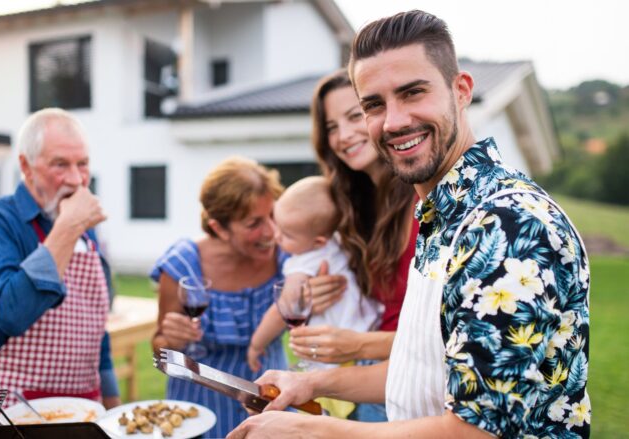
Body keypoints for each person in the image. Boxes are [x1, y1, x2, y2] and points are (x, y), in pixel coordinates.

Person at [228, 9, 590, 439]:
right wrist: (312, 382)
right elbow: (419, 370)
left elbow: (478, 432)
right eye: (374, 105)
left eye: (413, 93)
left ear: (461, 91)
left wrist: (314, 431)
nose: (394, 121)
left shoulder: (505, 225)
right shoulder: (441, 214)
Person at [150, 157, 345, 438]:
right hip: (201, 409)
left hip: (268, 400)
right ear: (218, 227)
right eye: (254, 223)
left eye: (272, 215)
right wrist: (169, 340)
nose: (270, 232)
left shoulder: (289, 252)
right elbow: (160, 349)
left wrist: (316, 299)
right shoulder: (182, 266)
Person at [0, 108, 121, 409]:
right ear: (26, 165)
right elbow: (12, 312)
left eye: (83, 164)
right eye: (60, 164)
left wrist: (114, 407)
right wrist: (68, 227)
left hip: (83, 409)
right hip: (8, 408)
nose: (76, 180)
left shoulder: (88, 234)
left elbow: (96, 330)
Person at [287, 69, 419, 422]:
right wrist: (320, 290)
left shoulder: (424, 203)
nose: (343, 136)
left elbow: (444, 339)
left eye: (354, 116)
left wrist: (357, 343)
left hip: (413, 382)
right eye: (331, 127)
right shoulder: (351, 210)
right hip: (367, 379)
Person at [247, 176, 381, 375]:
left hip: (338, 353)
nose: (276, 236)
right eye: (278, 225)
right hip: (368, 335)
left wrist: (256, 344)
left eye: (287, 235)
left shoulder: (304, 262)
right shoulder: (337, 242)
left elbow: (284, 308)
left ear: (318, 241)